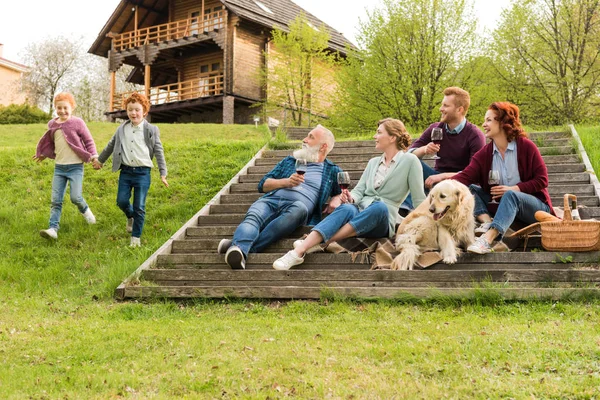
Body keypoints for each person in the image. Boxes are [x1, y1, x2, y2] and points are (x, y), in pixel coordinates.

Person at [272, 118, 426, 271]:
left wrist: (429, 224)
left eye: (379, 132)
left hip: (383, 218)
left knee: (379, 206)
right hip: (361, 210)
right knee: (348, 208)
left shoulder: (410, 161)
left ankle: (317, 242)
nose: (374, 136)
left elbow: (419, 199)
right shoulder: (373, 162)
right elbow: (359, 191)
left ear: (392, 137)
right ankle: (296, 253)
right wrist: (350, 198)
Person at [217, 125, 343, 270]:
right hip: (270, 200)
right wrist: (286, 182)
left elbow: (343, 193)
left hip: (298, 208)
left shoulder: (332, 170)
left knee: (299, 209)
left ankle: (237, 246)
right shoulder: (290, 161)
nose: (304, 140)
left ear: (323, 147)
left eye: (311, 137)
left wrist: (337, 197)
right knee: (253, 218)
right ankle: (239, 247)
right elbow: (263, 185)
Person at [449, 102, 554, 254]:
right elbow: (464, 177)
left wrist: (515, 189)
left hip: (536, 210)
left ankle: (486, 240)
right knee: (471, 189)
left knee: (511, 195)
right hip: (504, 209)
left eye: (489, 120)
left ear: (503, 122)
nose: (484, 124)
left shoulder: (526, 147)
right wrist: (441, 188)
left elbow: (542, 180)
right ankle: (488, 222)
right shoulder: (485, 154)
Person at [93, 92, 169, 247]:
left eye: (137, 110)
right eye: (130, 110)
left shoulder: (151, 130)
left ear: (144, 112)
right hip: (126, 172)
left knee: (139, 206)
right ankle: (130, 216)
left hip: (143, 173)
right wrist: (100, 161)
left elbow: (159, 151)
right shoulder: (122, 129)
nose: (133, 113)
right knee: (121, 201)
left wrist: (163, 173)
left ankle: (135, 238)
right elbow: (111, 145)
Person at [401, 87, 485, 211]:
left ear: (459, 109)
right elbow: (408, 155)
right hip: (435, 178)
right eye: (442, 105)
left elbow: (474, 174)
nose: (441, 109)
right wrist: (424, 149)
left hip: (460, 184)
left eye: (446, 106)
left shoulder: (475, 135)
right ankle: (406, 209)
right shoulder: (436, 128)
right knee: (409, 161)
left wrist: (442, 177)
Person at [34, 92, 98, 240]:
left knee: (75, 197)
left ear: (72, 107)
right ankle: (53, 228)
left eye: (65, 107)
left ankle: (86, 212)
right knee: (56, 200)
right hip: (59, 168)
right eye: (59, 108)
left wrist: (94, 156)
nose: (62, 111)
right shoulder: (52, 124)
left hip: (76, 167)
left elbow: (89, 141)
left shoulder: (78, 123)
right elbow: (50, 143)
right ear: (55, 108)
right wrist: (43, 154)